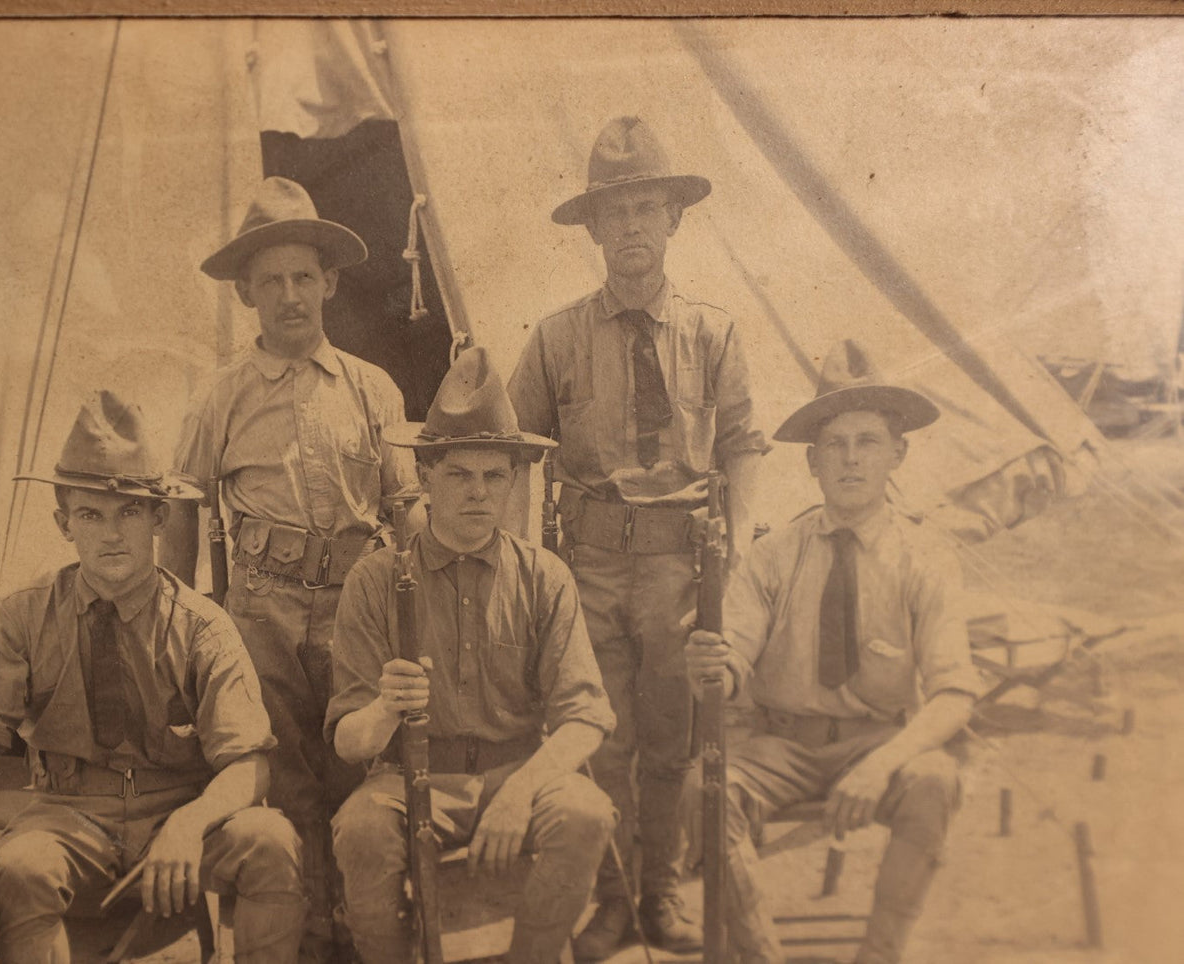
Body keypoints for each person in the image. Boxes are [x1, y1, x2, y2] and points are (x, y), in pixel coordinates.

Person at [0, 390, 304, 964]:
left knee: (269, 843)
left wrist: (190, 823)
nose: (112, 534)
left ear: (159, 518)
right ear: (63, 523)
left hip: (176, 804)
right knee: (20, 867)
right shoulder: (22, 615)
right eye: (91, 514)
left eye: (130, 512)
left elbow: (249, 764)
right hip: (68, 811)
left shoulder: (202, 626)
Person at [507, 115, 769, 957]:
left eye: (645, 209)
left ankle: (660, 895)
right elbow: (513, 453)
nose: (630, 229)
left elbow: (741, 445)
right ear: (591, 228)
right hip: (585, 565)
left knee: (672, 738)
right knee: (601, 737)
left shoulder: (712, 333)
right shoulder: (554, 338)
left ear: (673, 219)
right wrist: (526, 570)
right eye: (612, 213)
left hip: (679, 569)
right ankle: (613, 899)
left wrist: (741, 543)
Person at [162, 176, 418, 960]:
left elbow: (403, 505)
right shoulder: (219, 397)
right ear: (246, 293)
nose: (289, 296)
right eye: (269, 281)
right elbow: (182, 510)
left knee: (358, 762)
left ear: (330, 283)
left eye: (303, 276)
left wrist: (415, 603)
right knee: (284, 768)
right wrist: (176, 623)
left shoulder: (372, 390)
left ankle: (358, 915)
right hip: (262, 607)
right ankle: (302, 923)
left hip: (357, 602)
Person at [684, 340, 986, 964]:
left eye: (868, 442)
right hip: (781, 748)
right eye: (835, 446)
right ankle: (762, 954)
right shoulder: (773, 555)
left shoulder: (924, 557)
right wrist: (714, 668)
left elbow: (954, 691)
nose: (851, 460)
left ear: (896, 454)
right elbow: (734, 654)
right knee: (703, 790)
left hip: (880, 741)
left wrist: (882, 765)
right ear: (812, 463)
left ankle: (879, 954)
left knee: (935, 778)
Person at [327, 347, 617, 964]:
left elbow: (586, 717)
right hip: (407, 780)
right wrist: (384, 709)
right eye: (460, 475)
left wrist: (520, 792)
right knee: (360, 830)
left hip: (519, 773)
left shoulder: (544, 576)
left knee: (587, 813)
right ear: (425, 477)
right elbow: (350, 743)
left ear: (514, 480)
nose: (479, 494)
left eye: (494, 476)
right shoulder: (376, 579)